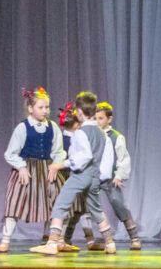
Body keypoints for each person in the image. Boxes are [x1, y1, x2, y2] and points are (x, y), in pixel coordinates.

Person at [29, 91, 116, 255]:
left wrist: (61, 165)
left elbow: (84, 156)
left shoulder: (81, 133)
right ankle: (110, 243)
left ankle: (52, 243)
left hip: (80, 175)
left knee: (60, 205)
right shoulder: (102, 134)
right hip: (94, 177)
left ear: (80, 113)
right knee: (96, 209)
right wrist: (101, 177)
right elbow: (106, 160)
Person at [0, 87, 65, 252]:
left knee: (55, 200)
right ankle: (5, 240)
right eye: (40, 107)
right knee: (15, 201)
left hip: (47, 168)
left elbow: (59, 151)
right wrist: (21, 167)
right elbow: (10, 153)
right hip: (26, 169)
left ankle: (51, 239)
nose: (45, 111)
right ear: (30, 108)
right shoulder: (23, 127)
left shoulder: (53, 127)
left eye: (47, 107)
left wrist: (55, 165)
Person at [90, 102, 141, 250]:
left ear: (109, 119)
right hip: (93, 177)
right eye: (95, 118)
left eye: (100, 118)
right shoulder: (91, 135)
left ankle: (134, 237)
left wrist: (119, 175)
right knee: (84, 206)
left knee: (119, 204)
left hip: (110, 178)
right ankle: (84, 239)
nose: (97, 121)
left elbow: (123, 158)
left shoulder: (116, 137)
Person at [54, 103, 94, 252]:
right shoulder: (72, 139)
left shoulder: (63, 138)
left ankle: (68, 239)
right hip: (70, 176)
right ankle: (63, 239)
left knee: (77, 209)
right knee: (73, 209)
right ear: (77, 125)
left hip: (70, 175)